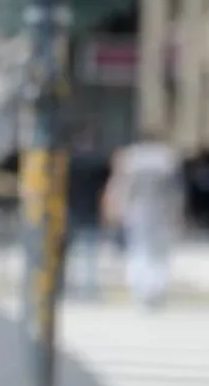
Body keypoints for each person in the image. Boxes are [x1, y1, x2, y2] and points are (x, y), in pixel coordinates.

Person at [103, 130, 185, 308]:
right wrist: (177, 213)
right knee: (158, 253)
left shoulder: (131, 158)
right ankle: (155, 289)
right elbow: (176, 191)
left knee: (138, 250)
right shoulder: (167, 158)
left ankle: (140, 289)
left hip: (136, 211)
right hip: (161, 212)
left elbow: (120, 186)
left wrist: (115, 209)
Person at [64, 124, 110, 299]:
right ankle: (87, 288)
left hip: (73, 210)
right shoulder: (98, 162)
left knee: (72, 252)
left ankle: (73, 286)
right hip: (89, 210)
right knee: (88, 252)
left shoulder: (69, 161)